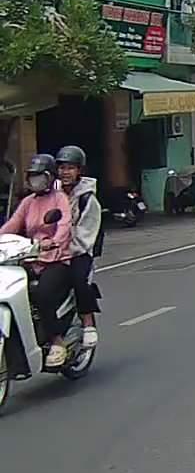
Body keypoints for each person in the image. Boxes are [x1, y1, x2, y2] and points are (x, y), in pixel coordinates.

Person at [0, 154, 75, 367]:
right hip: (29, 258)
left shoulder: (59, 199)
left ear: (50, 177)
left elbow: (65, 225)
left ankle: (57, 341)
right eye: (33, 176)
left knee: (43, 294)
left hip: (56, 259)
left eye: (40, 176)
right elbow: (12, 225)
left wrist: (54, 242)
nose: (36, 180)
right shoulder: (28, 202)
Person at [54, 145, 102, 348]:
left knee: (79, 280)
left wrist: (65, 249)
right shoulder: (50, 194)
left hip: (77, 252)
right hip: (49, 252)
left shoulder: (87, 199)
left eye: (70, 168)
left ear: (79, 170)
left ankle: (88, 323)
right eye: (62, 168)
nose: (65, 173)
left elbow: (86, 236)